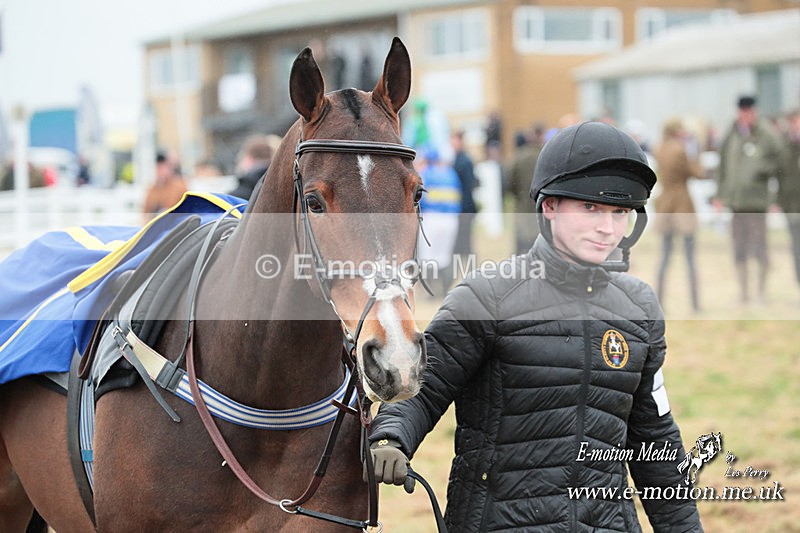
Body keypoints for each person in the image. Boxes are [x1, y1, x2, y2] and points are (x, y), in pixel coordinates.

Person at [368, 122, 703, 532]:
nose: (608, 228)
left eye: (620, 213)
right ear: (549, 206)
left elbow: (657, 441)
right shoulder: (486, 297)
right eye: (591, 208)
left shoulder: (639, 308)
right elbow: (425, 388)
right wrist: (391, 438)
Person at [714, 96, 784, 304]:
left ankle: (761, 292)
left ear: (754, 112)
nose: (745, 116)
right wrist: (720, 194)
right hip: (736, 203)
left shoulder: (765, 134)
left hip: (757, 203)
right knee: (739, 248)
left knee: (760, 248)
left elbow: (779, 159)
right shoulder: (732, 133)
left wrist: (761, 171)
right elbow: (722, 165)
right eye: (742, 112)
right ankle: (743, 293)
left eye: (749, 112)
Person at [653, 117, 708, 311]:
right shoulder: (680, 149)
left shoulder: (658, 148)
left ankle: (659, 300)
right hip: (682, 204)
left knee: (665, 256)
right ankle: (695, 303)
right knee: (690, 257)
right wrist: (697, 151)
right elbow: (698, 172)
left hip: (665, 203)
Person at [416, 146, 461, 295]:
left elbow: (419, 199)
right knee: (444, 257)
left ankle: (430, 292)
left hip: (431, 218)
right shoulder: (451, 173)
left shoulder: (426, 174)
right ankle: (444, 290)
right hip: (451, 220)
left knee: (427, 257)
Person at [505, 123, 545, 254]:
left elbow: (509, 183)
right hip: (544, 209)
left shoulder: (519, 156)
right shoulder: (547, 155)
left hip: (522, 208)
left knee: (522, 249)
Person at [778, 109, 800, 298]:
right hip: (792, 206)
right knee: (797, 248)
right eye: (793, 122)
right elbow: (780, 175)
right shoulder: (785, 145)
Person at [450, 130, 478, 259]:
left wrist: (464, 209)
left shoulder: (464, 161)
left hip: (465, 207)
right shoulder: (456, 159)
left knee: (465, 241)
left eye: (454, 140)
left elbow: (468, 187)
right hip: (459, 206)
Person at [228, 134, 281, 200]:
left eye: (241, 158)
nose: (237, 162)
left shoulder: (236, 196)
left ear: (249, 159)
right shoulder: (280, 188)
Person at [142, 151, 188, 223]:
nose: (161, 171)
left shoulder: (180, 186)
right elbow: (145, 213)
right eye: (159, 168)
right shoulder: (152, 188)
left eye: (164, 167)